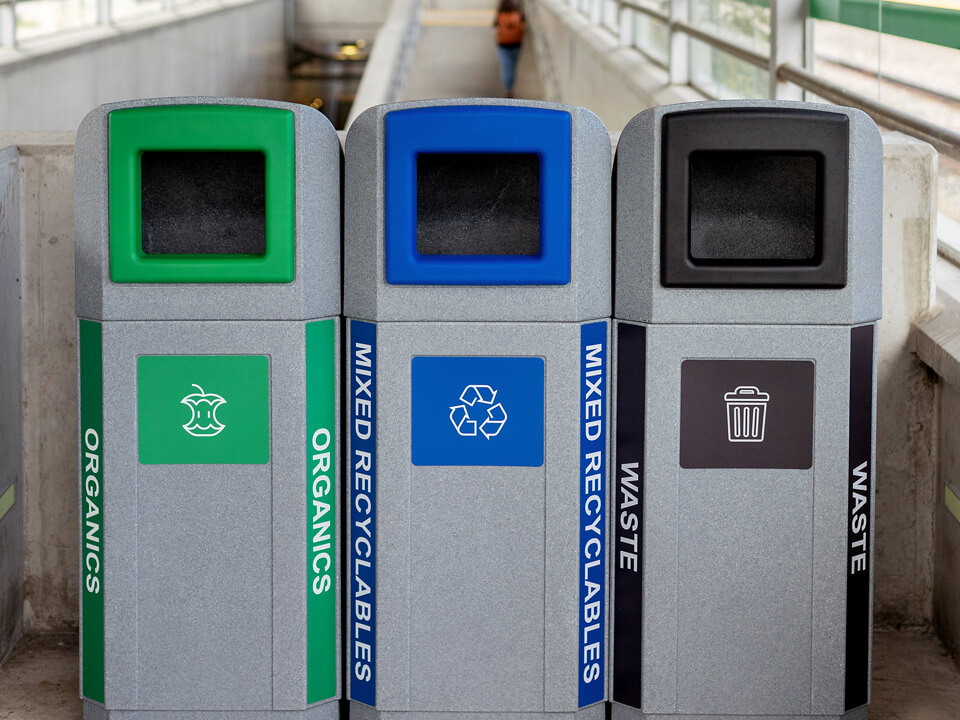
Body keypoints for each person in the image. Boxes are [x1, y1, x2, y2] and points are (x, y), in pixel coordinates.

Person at [494, 0, 525, 98]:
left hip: (503, 46)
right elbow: (523, 27)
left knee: (506, 69)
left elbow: (495, 28)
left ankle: (508, 90)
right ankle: (510, 88)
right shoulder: (518, 12)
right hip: (516, 45)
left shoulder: (500, 14)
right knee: (512, 68)